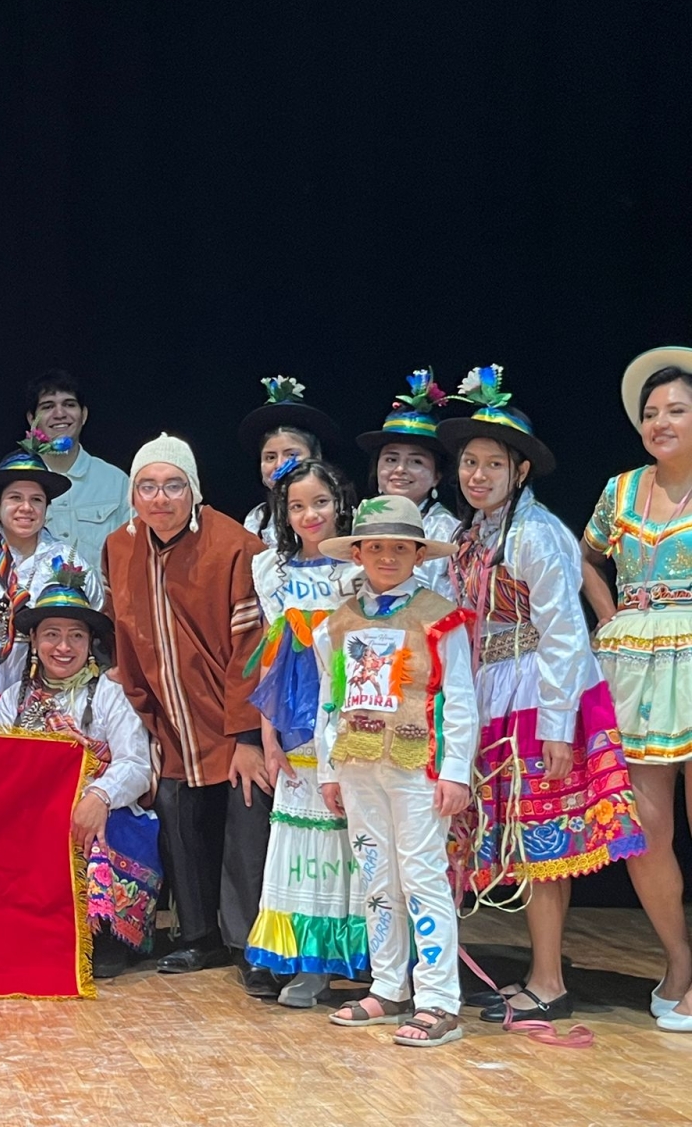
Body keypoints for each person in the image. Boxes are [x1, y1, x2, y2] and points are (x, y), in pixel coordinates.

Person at [439, 365, 645, 1026]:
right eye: (470, 462)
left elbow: (562, 633)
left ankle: (549, 979)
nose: (477, 475)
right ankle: (534, 972)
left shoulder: (535, 535)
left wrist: (559, 728)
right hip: (494, 693)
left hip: (537, 692)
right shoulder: (471, 538)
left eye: (493, 464)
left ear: (519, 472)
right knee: (518, 842)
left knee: (543, 841)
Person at [103, 433, 277, 996]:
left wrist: (247, 735)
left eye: (172, 486)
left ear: (194, 491)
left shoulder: (235, 547)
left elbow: (251, 648)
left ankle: (251, 943)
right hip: (167, 719)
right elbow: (124, 638)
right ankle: (197, 935)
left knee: (243, 821)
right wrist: (141, 720)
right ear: (133, 496)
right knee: (179, 818)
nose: (160, 499)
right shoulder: (119, 547)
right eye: (147, 487)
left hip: (228, 717)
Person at [314, 496, 478, 1047]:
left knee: (422, 875)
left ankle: (438, 999)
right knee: (376, 878)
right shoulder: (339, 622)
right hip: (359, 763)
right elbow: (329, 699)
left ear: (417, 554)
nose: (388, 557)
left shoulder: (439, 615)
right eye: (376, 546)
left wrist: (456, 770)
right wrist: (327, 768)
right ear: (357, 552)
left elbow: (460, 698)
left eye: (400, 547)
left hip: (416, 766)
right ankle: (389, 985)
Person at [582, 347, 692, 1030]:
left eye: (676, 410)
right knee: (647, 827)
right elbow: (588, 556)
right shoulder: (621, 490)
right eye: (651, 413)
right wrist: (607, 610)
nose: (661, 422)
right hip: (637, 666)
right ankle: (678, 958)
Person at [0, 564, 160, 980]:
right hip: (32, 810)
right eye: (52, 634)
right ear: (34, 640)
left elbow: (135, 764)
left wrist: (98, 796)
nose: (63, 646)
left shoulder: (108, 694)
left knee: (102, 826)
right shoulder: (12, 700)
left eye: (76, 636)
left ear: (90, 643)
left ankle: (106, 936)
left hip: (95, 810)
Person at [240, 458, 368, 1008]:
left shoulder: (357, 570)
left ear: (339, 503)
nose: (309, 514)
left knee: (355, 839)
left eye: (319, 502)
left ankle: (371, 964)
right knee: (303, 845)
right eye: (296, 506)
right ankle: (310, 967)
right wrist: (266, 736)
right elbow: (272, 656)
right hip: (293, 718)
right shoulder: (272, 569)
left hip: (348, 711)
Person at [0, 431, 102, 719]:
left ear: (46, 507)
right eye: (15, 498)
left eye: (36, 500)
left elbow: (94, 609)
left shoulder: (68, 559)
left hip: (44, 677)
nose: (26, 508)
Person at [0, 369, 131, 561]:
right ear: (31, 419)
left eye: (69, 404)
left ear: (83, 415)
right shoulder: (2, 482)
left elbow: (132, 558)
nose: (59, 414)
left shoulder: (117, 483)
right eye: (47, 406)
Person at [355, 368, 457, 593]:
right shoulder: (357, 518)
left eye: (416, 462)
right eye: (391, 459)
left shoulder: (450, 534)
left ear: (437, 476)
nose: (400, 469)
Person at [239, 375, 341, 545]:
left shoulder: (343, 513)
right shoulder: (256, 520)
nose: (280, 464)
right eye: (270, 457)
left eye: (291, 455)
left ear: (316, 458)